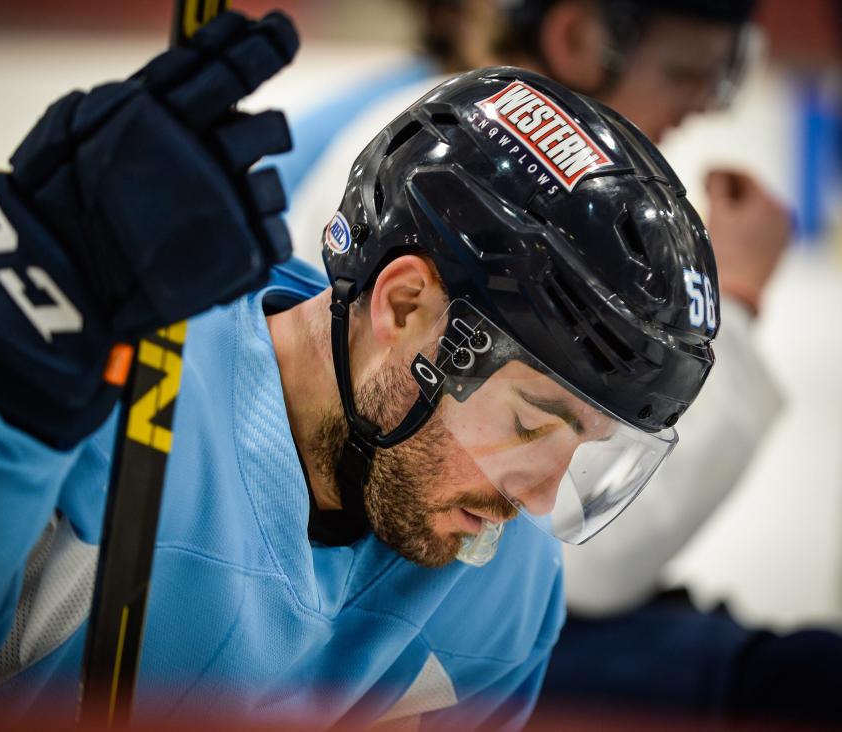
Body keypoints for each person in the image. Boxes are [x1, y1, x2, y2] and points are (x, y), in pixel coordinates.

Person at [0, 9, 722, 731]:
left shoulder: (504, 597)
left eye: (586, 448)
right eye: (531, 423)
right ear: (403, 308)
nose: (538, 498)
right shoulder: (102, 381)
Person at [286, 1, 842, 728]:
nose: (699, 106)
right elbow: (589, 569)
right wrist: (730, 305)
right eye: (680, 72)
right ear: (577, 37)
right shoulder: (443, 175)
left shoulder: (478, 158)